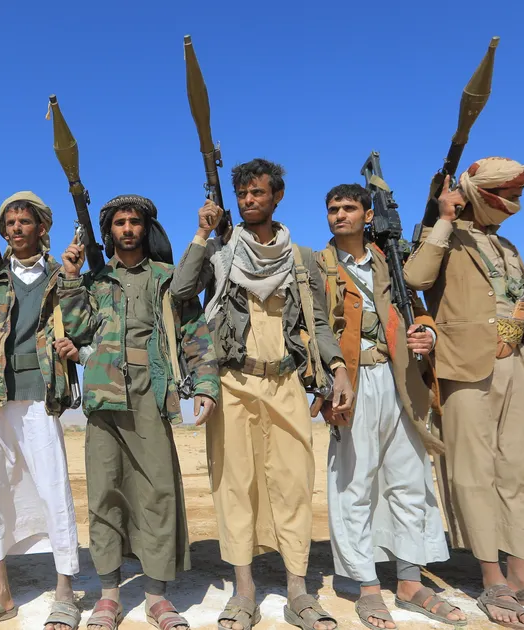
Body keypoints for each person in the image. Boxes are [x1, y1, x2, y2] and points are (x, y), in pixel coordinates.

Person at [403, 157, 524, 629]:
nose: (516, 206)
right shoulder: (444, 237)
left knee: (520, 471)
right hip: (465, 368)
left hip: (517, 364)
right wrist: (445, 219)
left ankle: (523, 575)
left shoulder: (507, 246)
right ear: (480, 195)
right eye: (510, 197)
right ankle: (493, 579)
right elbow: (415, 278)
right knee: (474, 473)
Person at [170, 159, 353, 630]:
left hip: (286, 382)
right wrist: (202, 233)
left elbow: (318, 322)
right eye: (243, 194)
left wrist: (337, 368)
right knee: (235, 485)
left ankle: (298, 591)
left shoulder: (300, 257)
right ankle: (244, 591)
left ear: (277, 197)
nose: (249, 200)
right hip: (232, 383)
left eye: (258, 193)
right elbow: (181, 291)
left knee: (293, 485)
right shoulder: (221, 252)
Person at [60, 194, 219, 630]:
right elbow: (75, 329)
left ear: (145, 229)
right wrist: (71, 277)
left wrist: (205, 384)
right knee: (105, 490)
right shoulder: (94, 281)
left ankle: (156, 596)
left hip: (152, 390)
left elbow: (194, 332)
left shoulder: (169, 279)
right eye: (119, 223)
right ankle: (109, 595)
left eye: (134, 222)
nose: (127, 229)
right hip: (103, 392)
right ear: (109, 231)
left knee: (157, 490)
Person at [313, 184, 464, 628]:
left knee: (409, 481)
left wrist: (427, 334)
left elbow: (417, 309)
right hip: (352, 382)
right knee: (353, 485)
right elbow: (311, 325)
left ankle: (410, 580)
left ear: (367, 215)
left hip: (401, 380)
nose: (339, 215)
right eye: (333, 209)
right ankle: (366, 585)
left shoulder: (390, 260)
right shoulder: (318, 266)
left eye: (349, 208)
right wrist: (328, 382)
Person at [0, 192, 81, 630]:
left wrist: (72, 278)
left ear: (41, 228)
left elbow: (79, 326)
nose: (15, 229)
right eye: (9, 223)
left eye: (23, 222)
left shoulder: (58, 275)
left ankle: (65, 591)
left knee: (52, 486)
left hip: (40, 394)